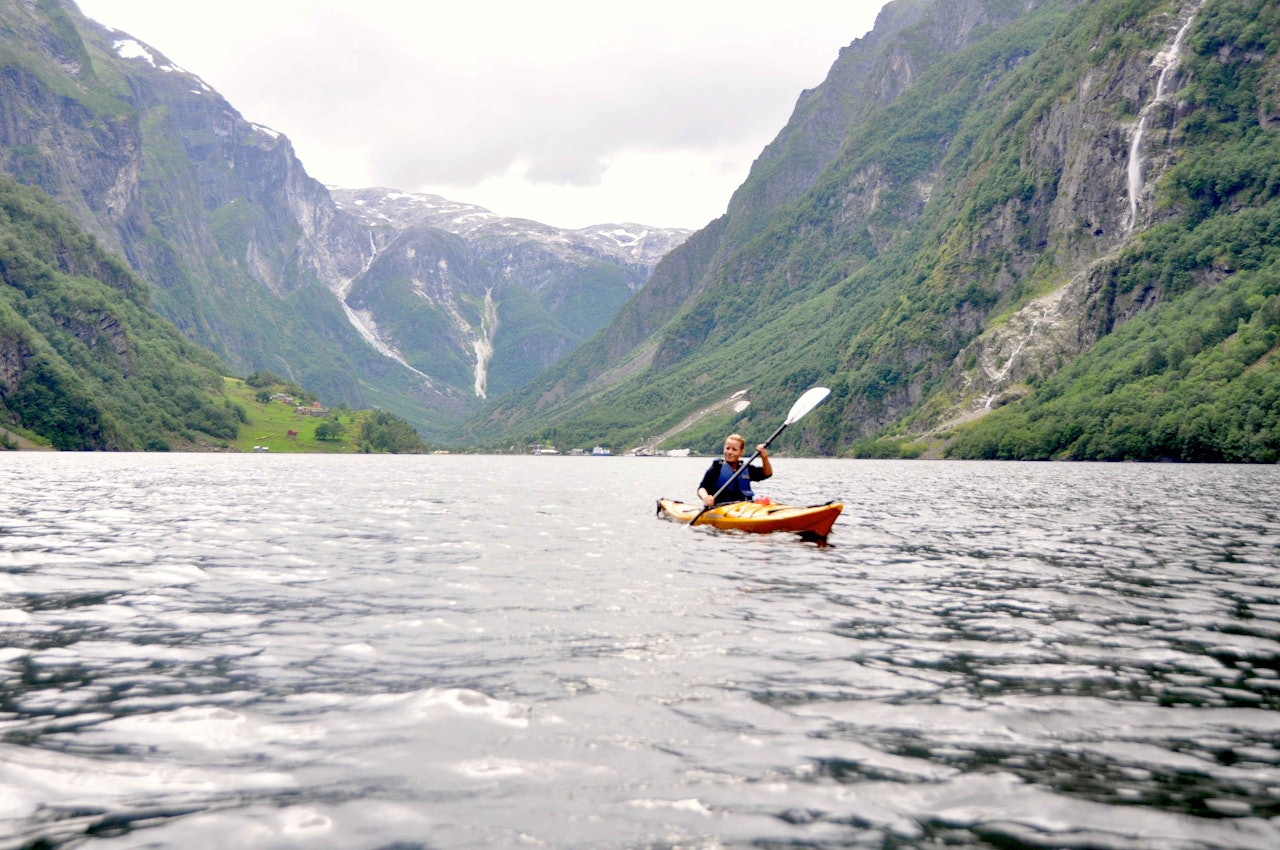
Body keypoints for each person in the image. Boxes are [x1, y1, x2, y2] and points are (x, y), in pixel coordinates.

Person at [697, 433, 772, 506]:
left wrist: (764, 458)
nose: (729, 452)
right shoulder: (716, 468)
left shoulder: (746, 469)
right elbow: (701, 488)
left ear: (741, 452)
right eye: (727, 448)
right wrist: (706, 497)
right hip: (720, 510)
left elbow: (767, 473)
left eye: (734, 449)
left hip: (744, 509)